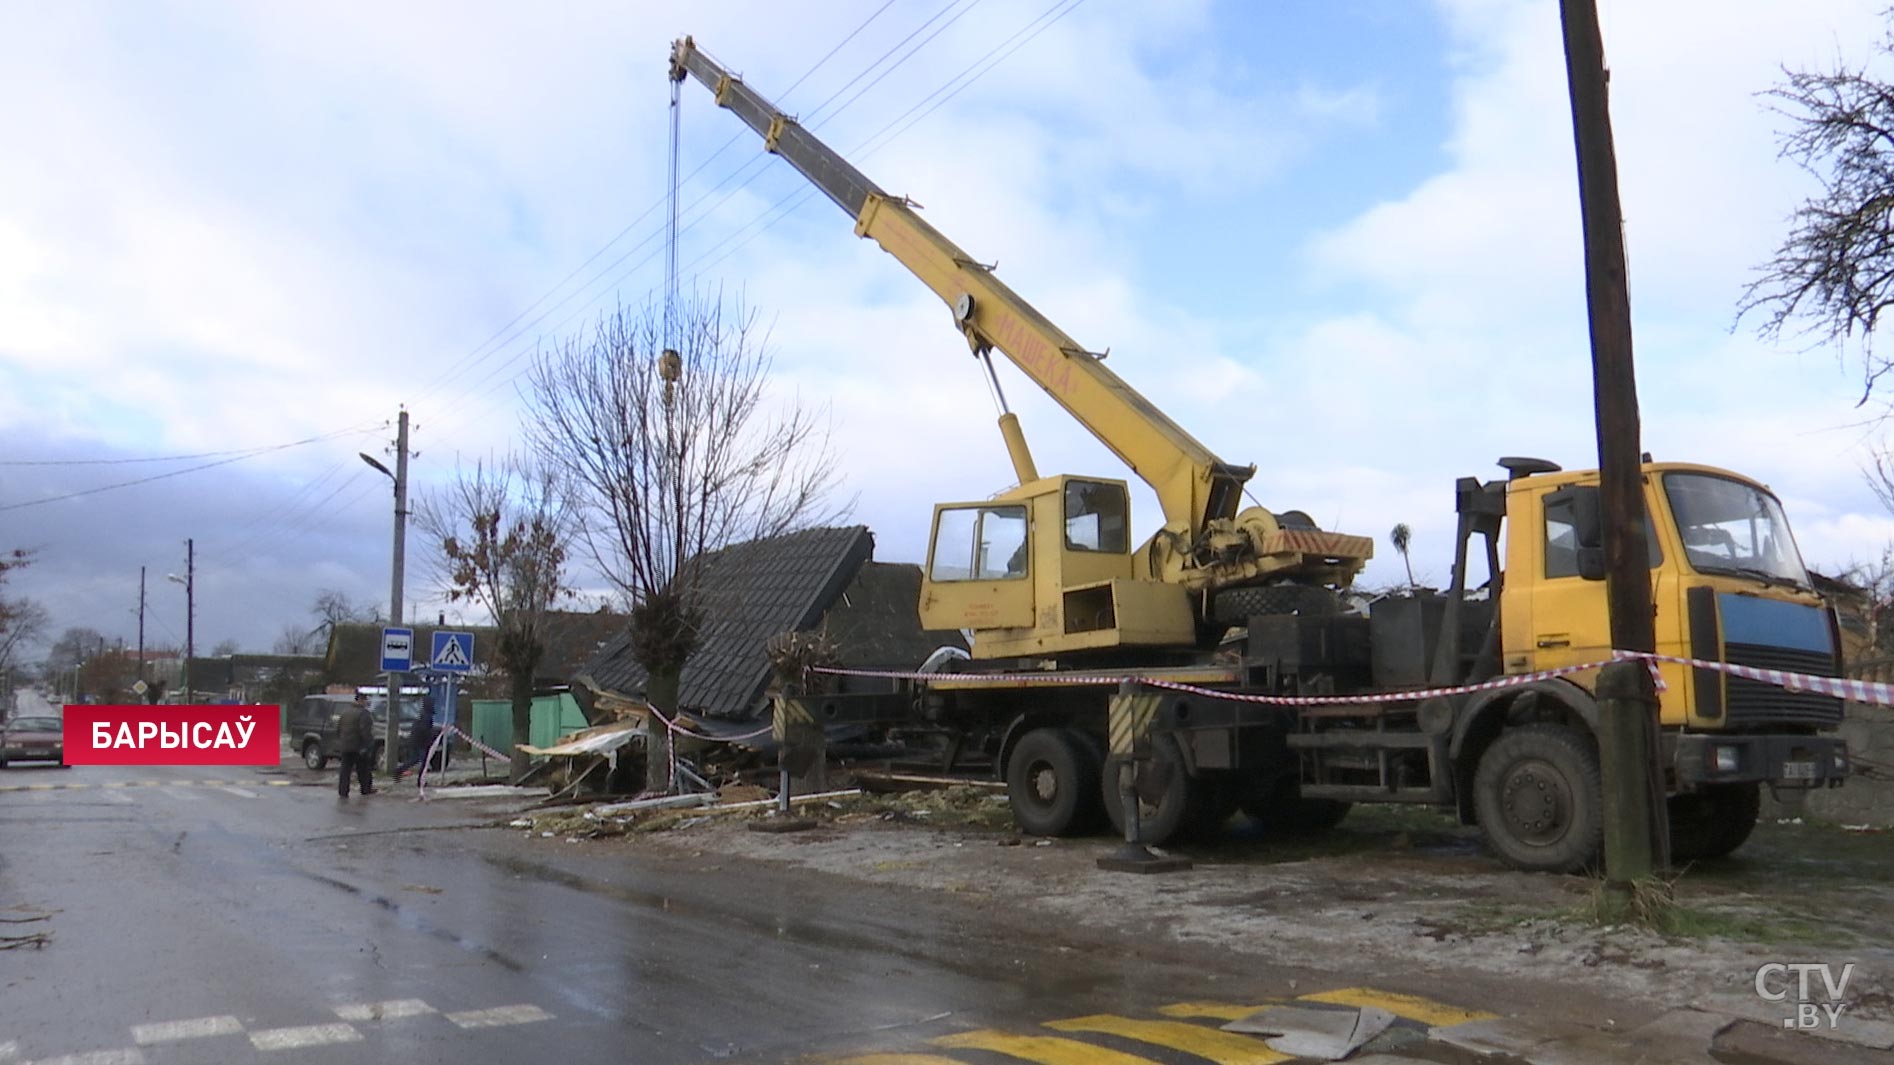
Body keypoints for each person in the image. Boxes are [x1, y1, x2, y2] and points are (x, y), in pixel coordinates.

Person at [335, 692, 378, 798]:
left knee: (345, 770)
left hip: (345, 746)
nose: (366, 702)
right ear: (361, 700)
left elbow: (338, 729)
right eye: (365, 700)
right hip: (358, 747)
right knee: (363, 769)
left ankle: (343, 791)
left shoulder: (345, 712)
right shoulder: (364, 713)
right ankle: (366, 789)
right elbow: (365, 731)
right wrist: (368, 744)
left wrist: (342, 741)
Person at [394, 694, 440, 782]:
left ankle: (399, 770)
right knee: (423, 761)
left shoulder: (423, 714)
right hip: (421, 741)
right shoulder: (427, 716)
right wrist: (432, 736)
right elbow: (425, 730)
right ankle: (420, 780)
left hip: (416, 740)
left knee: (415, 759)